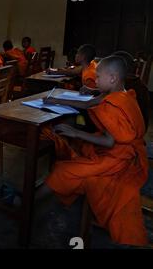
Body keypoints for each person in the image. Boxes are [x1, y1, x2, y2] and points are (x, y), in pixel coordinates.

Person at [41, 56, 148, 246]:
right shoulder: (121, 94)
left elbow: (108, 141)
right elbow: (89, 104)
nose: (95, 80)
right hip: (121, 152)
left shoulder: (113, 104)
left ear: (113, 78)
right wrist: (55, 100)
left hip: (118, 159)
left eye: (98, 77)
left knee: (64, 170)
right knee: (74, 147)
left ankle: (27, 200)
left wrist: (75, 132)